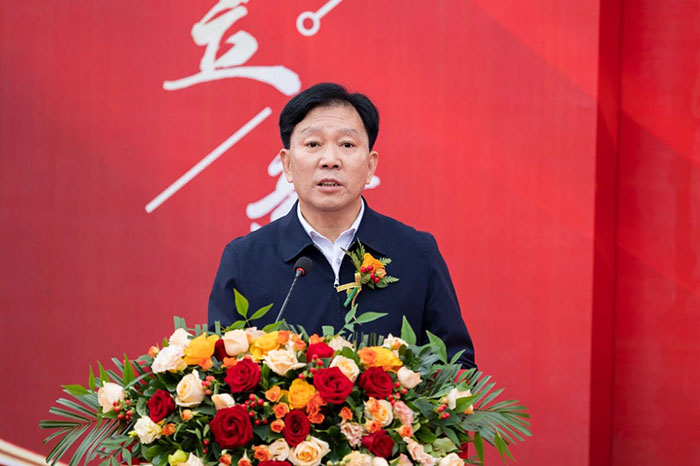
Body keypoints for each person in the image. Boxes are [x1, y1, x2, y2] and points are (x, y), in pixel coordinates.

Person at [208, 83, 476, 368]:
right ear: (287, 164)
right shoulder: (245, 260)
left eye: (347, 145)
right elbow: (219, 371)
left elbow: (456, 367)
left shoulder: (417, 254)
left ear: (370, 166)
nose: (330, 160)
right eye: (313, 144)